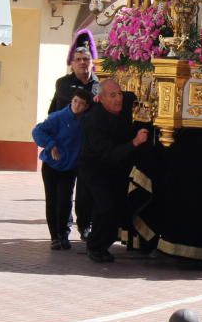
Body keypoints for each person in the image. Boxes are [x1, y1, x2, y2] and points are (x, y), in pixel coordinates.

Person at [78, 79, 149, 263]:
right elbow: (108, 154)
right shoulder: (94, 120)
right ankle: (94, 246)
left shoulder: (123, 103)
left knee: (118, 208)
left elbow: (132, 96)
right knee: (105, 205)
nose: (119, 98)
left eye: (119, 93)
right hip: (94, 166)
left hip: (116, 165)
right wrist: (135, 142)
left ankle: (104, 245)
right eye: (112, 95)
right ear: (101, 99)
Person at [48, 45, 99, 240]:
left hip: (87, 147)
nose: (82, 63)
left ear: (91, 61)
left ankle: (85, 225)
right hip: (66, 146)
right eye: (78, 59)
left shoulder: (98, 83)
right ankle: (63, 229)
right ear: (72, 63)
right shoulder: (63, 84)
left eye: (86, 59)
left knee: (86, 191)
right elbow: (78, 101)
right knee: (64, 192)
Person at [31, 89, 92, 250]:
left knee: (65, 200)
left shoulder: (86, 122)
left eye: (82, 104)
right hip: (51, 166)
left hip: (70, 168)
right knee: (52, 200)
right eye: (75, 101)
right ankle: (54, 237)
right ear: (71, 101)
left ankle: (63, 233)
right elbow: (37, 131)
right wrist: (51, 145)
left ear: (86, 107)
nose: (77, 106)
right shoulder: (58, 117)